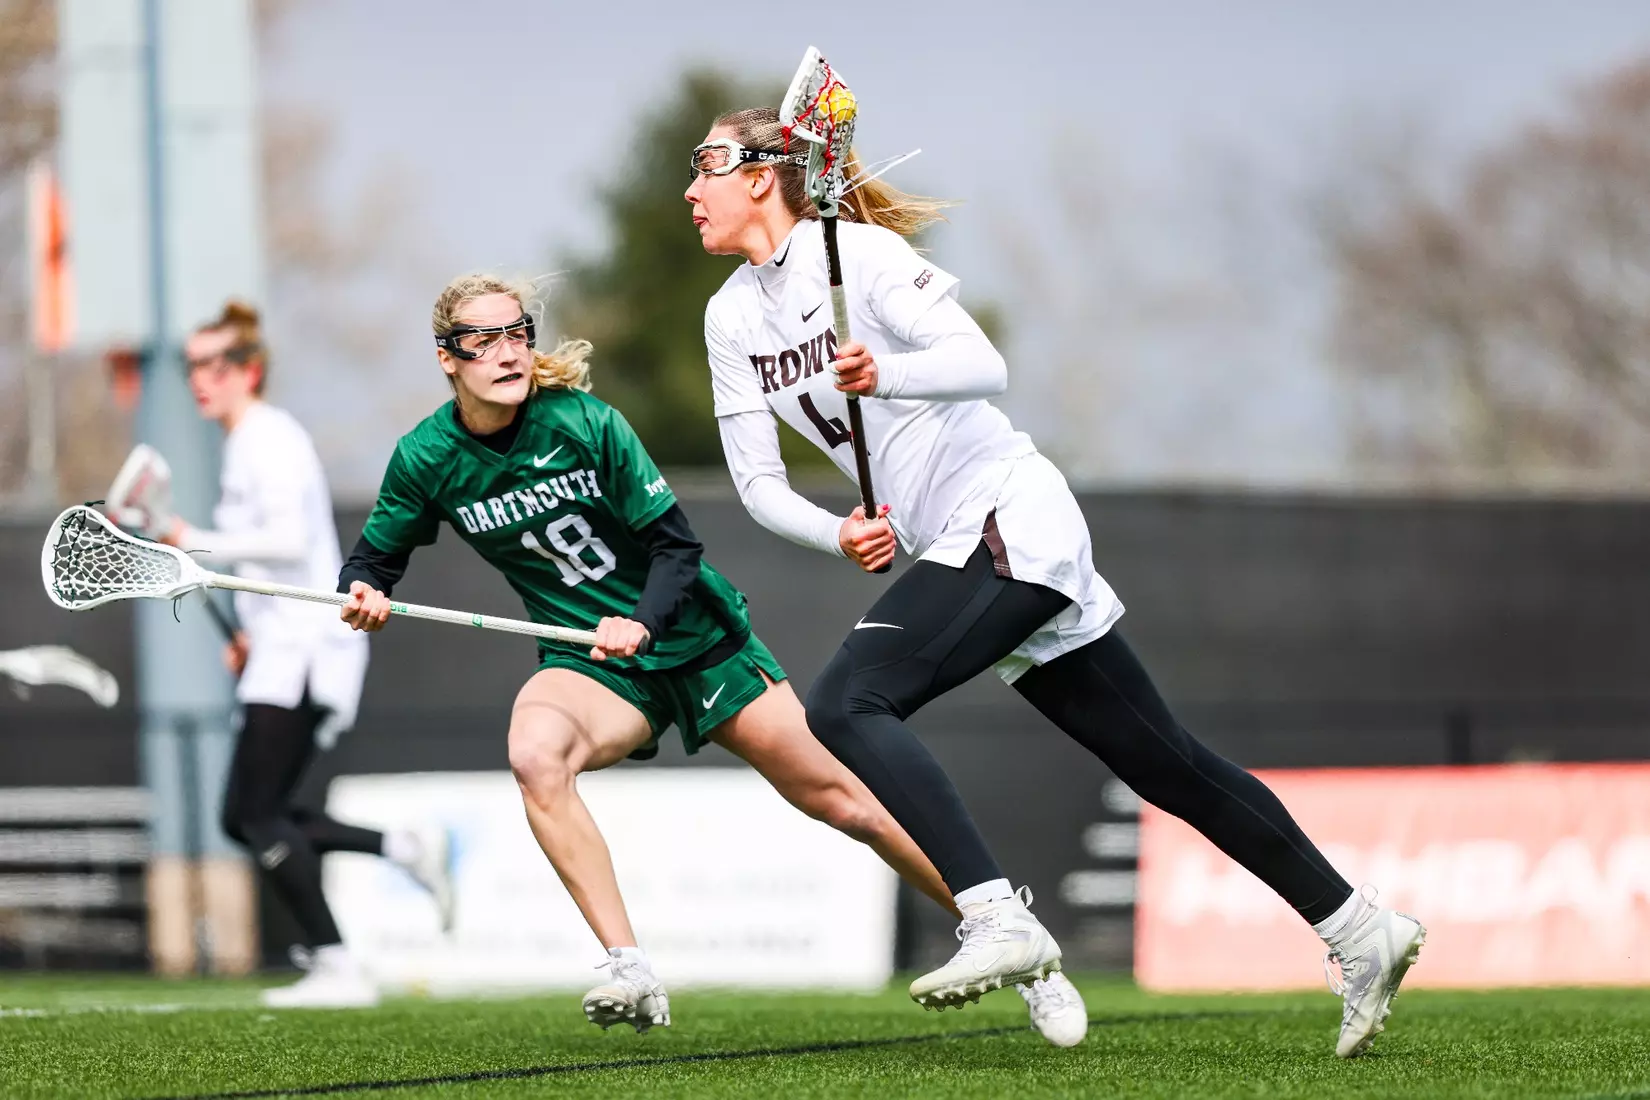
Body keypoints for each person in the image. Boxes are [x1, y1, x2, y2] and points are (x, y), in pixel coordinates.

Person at [687, 108, 1427, 1059]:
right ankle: (1360, 925)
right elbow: (756, 484)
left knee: (846, 701)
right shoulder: (729, 316)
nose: (691, 188)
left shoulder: (857, 255)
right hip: (955, 541)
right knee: (1169, 765)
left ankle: (996, 915)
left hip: (1006, 513)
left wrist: (889, 374)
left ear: (762, 176)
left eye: (708, 164)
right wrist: (839, 530)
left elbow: (983, 364)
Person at [334, 274, 1089, 1046]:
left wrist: (641, 622)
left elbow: (676, 549)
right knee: (534, 756)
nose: (506, 352)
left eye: (517, 333)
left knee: (850, 802)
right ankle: (630, 968)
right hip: (593, 663)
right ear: (447, 359)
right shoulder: (426, 457)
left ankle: (1019, 945)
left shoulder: (586, 423)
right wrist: (362, 594)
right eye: (482, 341)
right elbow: (372, 562)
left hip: (697, 641)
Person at [155, 301, 454, 1008]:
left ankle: (337, 961)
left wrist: (192, 539)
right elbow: (278, 567)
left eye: (215, 363)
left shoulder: (269, 437)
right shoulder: (243, 443)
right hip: (278, 649)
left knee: (253, 815)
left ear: (249, 370)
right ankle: (402, 849)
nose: (202, 377)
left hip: (307, 653)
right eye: (192, 364)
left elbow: (290, 542)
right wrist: (246, 631)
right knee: (255, 814)